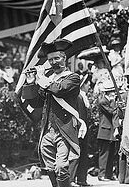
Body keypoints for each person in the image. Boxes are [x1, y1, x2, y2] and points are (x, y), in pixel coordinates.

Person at [22, 39, 87, 187]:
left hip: (64, 129)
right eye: (50, 60)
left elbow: (59, 89)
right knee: (50, 167)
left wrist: (41, 79)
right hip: (47, 130)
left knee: (61, 167)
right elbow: (35, 103)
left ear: (64, 58)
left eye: (57, 58)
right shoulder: (48, 80)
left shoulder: (73, 77)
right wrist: (31, 82)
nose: (53, 62)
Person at [97, 81, 120, 181]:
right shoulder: (103, 101)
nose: (113, 93)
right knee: (104, 154)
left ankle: (109, 174)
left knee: (111, 153)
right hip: (104, 131)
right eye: (111, 92)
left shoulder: (108, 101)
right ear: (107, 93)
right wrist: (114, 102)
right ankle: (101, 174)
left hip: (110, 131)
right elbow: (112, 112)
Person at [69, 91, 92, 187]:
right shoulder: (77, 96)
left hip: (84, 129)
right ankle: (71, 179)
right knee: (75, 153)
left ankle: (82, 179)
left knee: (83, 154)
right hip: (77, 128)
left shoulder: (82, 95)